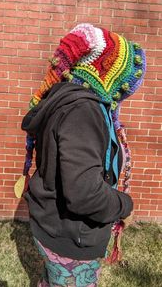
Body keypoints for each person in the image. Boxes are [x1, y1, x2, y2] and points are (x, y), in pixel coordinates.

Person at [19, 23, 146, 287]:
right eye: (128, 79)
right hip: (70, 237)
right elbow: (85, 194)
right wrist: (124, 205)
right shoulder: (83, 112)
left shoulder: (67, 100)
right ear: (110, 74)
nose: (128, 90)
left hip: (57, 228)